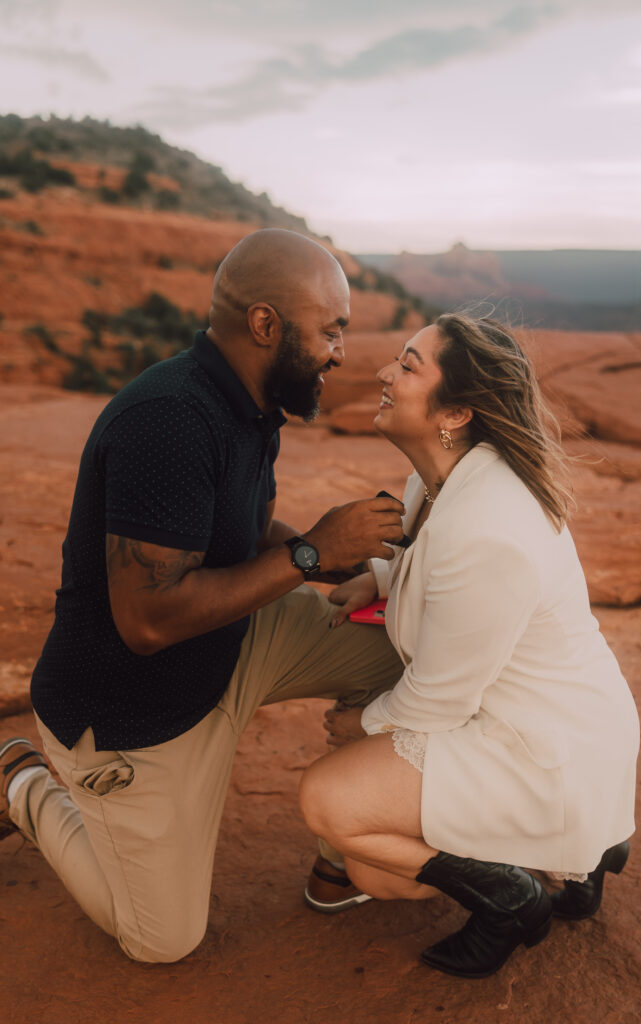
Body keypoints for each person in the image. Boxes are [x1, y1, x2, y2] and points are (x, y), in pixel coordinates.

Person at [0, 228, 407, 963]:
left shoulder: (252, 404)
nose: (340, 351)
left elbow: (241, 531)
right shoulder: (170, 420)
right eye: (331, 330)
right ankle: (24, 781)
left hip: (235, 641)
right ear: (264, 325)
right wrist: (311, 548)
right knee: (162, 941)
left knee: (409, 661)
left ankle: (341, 853)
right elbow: (148, 622)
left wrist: (328, 567)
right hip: (137, 709)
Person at [299, 313, 640, 979]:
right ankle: (582, 850)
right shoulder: (440, 479)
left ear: (454, 411)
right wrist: (379, 575)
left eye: (406, 365)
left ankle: (511, 896)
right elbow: (440, 572)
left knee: (330, 803)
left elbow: (439, 694)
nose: (381, 374)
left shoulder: (490, 522)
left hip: (547, 747)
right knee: (373, 863)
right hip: (537, 722)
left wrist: (360, 726)